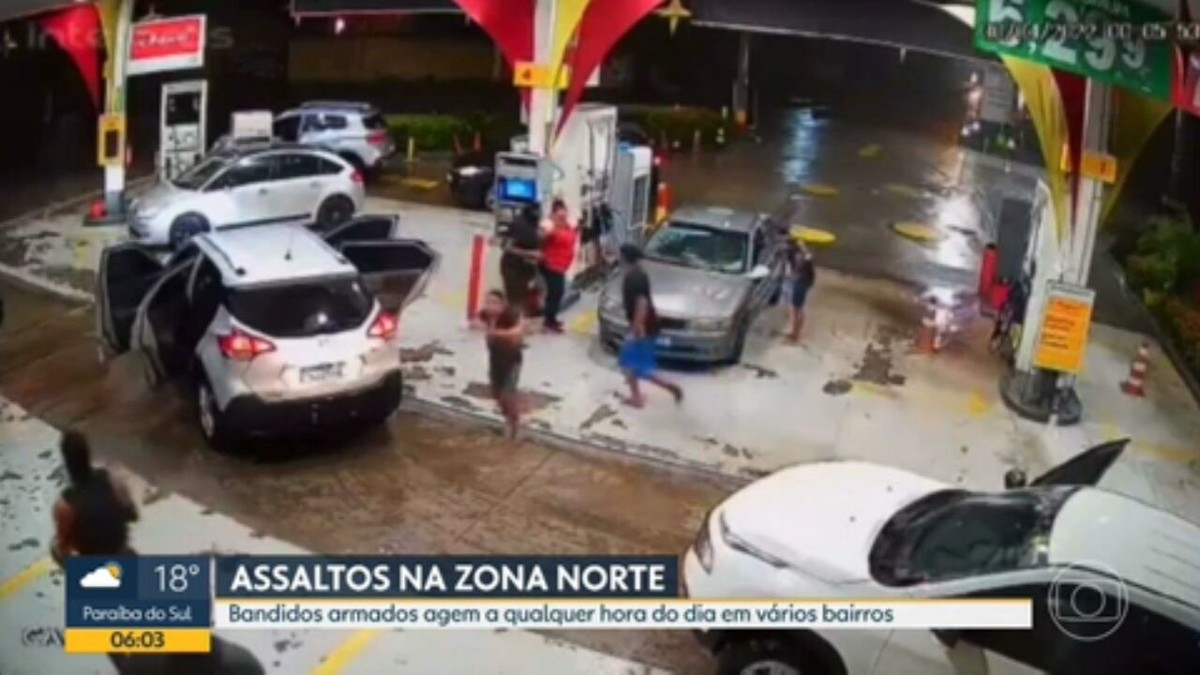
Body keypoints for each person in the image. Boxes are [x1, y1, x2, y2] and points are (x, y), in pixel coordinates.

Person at [617, 244, 682, 408]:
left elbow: (642, 303)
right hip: (647, 325)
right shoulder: (638, 274)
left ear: (625, 257)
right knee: (631, 363)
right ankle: (637, 395)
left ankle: (666, 387)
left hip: (643, 327)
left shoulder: (634, 278)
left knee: (633, 365)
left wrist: (637, 328)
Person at [475, 289, 526, 439]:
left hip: (512, 362)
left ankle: (516, 426)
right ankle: (508, 419)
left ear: (503, 305)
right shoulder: (486, 316)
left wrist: (495, 333)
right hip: (495, 361)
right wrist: (482, 326)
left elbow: (518, 331)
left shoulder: (510, 316)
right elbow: (475, 321)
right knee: (496, 394)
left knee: (507, 394)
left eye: (495, 303)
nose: (491, 306)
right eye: (488, 302)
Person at [539, 199, 577, 333]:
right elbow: (541, 237)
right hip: (551, 265)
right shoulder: (550, 226)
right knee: (555, 293)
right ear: (554, 214)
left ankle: (551, 319)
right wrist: (548, 230)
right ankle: (548, 322)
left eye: (564, 214)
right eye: (559, 214)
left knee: (557, 293)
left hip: (561, 265)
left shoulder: (567, 227)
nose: (563, 216)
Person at [500, 205, 542, 311]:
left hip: (527, 268)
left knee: (523, 298)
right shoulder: (518, 224)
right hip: (512, 267)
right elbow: (505, 246)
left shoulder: (536, 224)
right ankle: (511, 321)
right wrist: (529, 253)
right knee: (515, 299)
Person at [784, 239, 816, 343]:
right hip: (802, 281)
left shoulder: (802, 257)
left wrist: (794, 276)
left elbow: (801, 269)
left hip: (802, 282)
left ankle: (796, 334)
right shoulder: (799, 254)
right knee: (796, 308)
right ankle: (795, 332)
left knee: (798, 308)